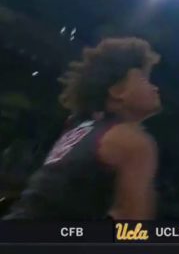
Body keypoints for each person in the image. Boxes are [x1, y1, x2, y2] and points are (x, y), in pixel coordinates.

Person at [4, 38, 162, 220]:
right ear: (117, 90)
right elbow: (134, 225)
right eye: (144, 79)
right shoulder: (130, 141)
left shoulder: (80, 127)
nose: (155, 87)